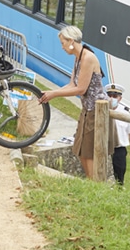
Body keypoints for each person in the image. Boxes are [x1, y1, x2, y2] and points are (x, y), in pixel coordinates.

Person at [39, 26, 117, 180]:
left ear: (71, 41)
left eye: (63, 43)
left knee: (89, 152)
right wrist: (51, 93)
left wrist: (54, 94)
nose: (62, 47)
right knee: (80, 148)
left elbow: (80, 89)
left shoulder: (88, 58)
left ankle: (94, 182)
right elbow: (71, 84)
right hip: (87, 109)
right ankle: (90, 180)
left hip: (97, 110)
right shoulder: (78, 57)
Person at [105, 83, 130, 186]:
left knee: (119, 176)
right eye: (109, 95)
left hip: (119, 149)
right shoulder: (101, 109)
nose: (111, 98)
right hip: (104, 148)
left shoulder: (126, 113)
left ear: (120, 98)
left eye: (115, 96)